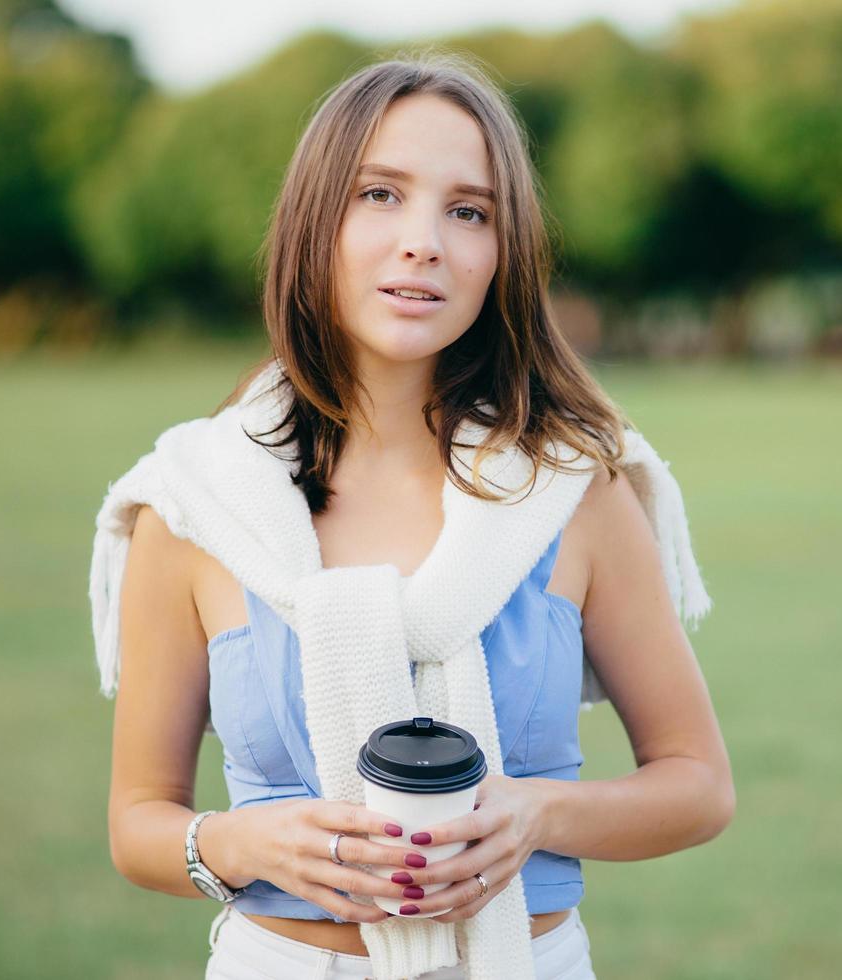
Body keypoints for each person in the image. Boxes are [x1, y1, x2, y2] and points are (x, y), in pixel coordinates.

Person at [92, 53, 734, 979]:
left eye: (468, 211)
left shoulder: (572, 488)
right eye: (379, 195)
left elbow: (698, 784)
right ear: (316, 221)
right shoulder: (197, 501)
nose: (423, 240)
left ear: (501, 254)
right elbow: (136, 821)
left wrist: (536, 814)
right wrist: (245, 845)